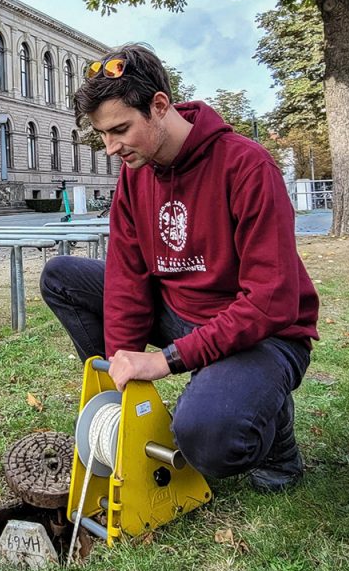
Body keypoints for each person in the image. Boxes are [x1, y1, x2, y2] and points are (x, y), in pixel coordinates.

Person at [41, 44, 319, 492]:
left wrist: (166, 361)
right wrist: (124, 375)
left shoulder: (247, 165)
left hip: (265, 334)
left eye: (120, 130)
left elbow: (271, 301)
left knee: (205, 440)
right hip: (181, 314)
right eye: (102, 135)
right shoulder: (136, 173)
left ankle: (277, 439)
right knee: (61, 277)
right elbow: (126, 280)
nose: (110, 148)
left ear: (159, 106)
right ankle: (144, 396)